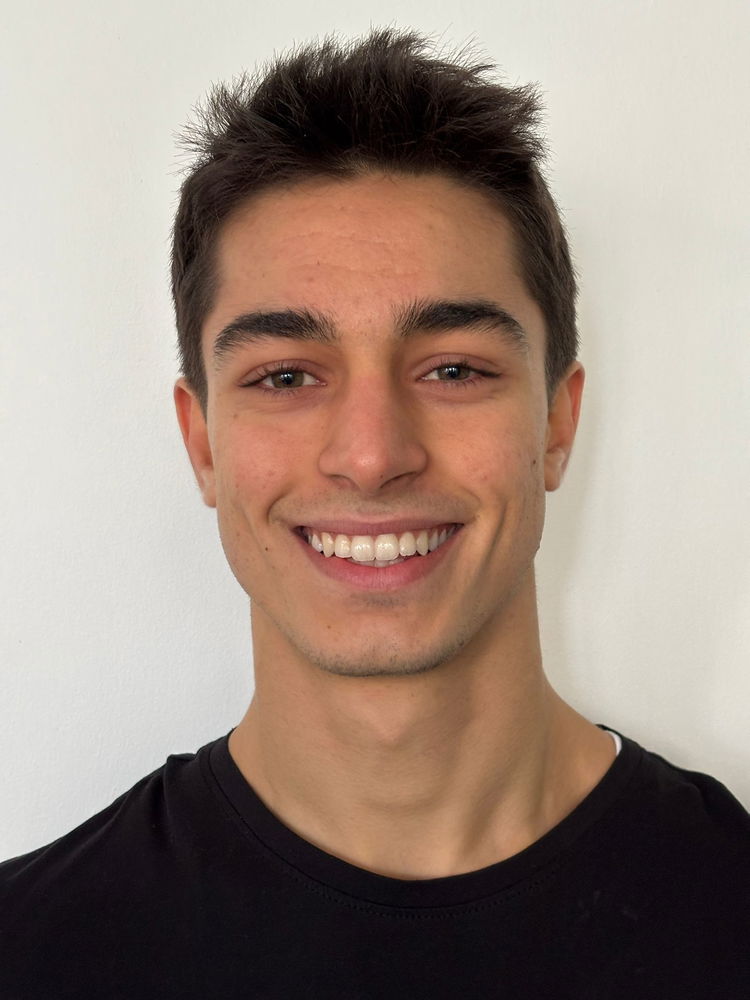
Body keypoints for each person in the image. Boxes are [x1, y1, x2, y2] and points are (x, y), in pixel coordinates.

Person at [1, 28, 748, 998]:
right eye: (285, 377)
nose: (371, 454)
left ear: (556, 423)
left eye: (453, 369)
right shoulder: (28, 951)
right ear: (204, 443)